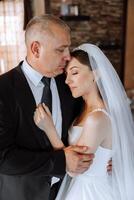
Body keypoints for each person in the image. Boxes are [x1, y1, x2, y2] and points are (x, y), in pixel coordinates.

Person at [0, 15, 95, 200]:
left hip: (69, 191)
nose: (68, 57)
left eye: (68, 48)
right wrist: (60, 162)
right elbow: (2, 157)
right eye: (61, 50)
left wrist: (101, 158)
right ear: (36, 49)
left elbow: (85, 123)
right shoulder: (3, 90)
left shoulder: (69, 83)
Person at [34, 43, 134, 200]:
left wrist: (49, 129)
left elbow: (73, 169)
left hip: (91, 192)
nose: (67, 80)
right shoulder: (82, 109)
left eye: (74, 72)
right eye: (66, 74)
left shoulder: (98, 118)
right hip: (78, 187)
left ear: (96, 74)